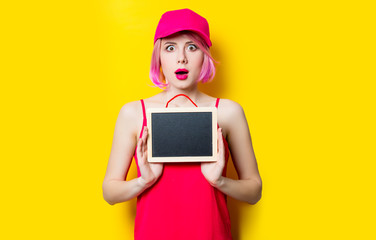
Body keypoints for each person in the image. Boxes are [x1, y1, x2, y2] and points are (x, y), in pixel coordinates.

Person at [102, 8, 262, 240]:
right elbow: (110, 192)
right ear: (158, 56)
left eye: (192, 47)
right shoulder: (134, 113)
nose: (181, 58)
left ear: (204, 55)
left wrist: (219, 181)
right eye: (170, 48)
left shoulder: (228, 112)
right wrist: (144, 181)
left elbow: (254, 191)